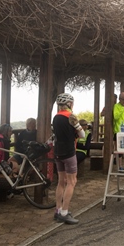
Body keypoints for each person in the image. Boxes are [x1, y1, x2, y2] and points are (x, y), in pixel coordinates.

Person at [53, 93, 85, 225]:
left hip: (57, 152)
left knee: (61, 181)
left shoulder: (55, 117)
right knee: (71, 182)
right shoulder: (71, 116)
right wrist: (77, 126)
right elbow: (82, 135)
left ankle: (58, 210)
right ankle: (65, 213)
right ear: (70, 104)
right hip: (69, 152)